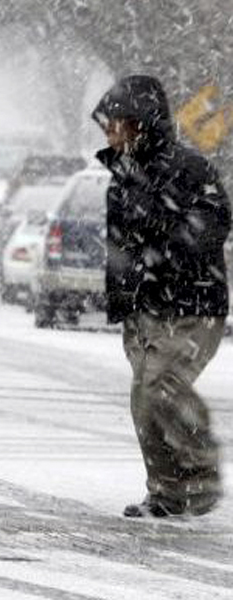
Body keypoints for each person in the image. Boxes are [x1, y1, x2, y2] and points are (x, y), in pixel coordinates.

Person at [93, 75, 231, 518]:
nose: (109, 133)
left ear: (140, 123)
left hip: (189, 304)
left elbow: (214, 223)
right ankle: (169, 492)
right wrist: (123, 300)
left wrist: (165, 248)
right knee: (145, 401)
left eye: (115, 123)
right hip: (144, 309)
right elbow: (120, 247)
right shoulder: (121, 177)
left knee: (162, 387)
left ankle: (201, 476)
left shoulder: (189, 170)